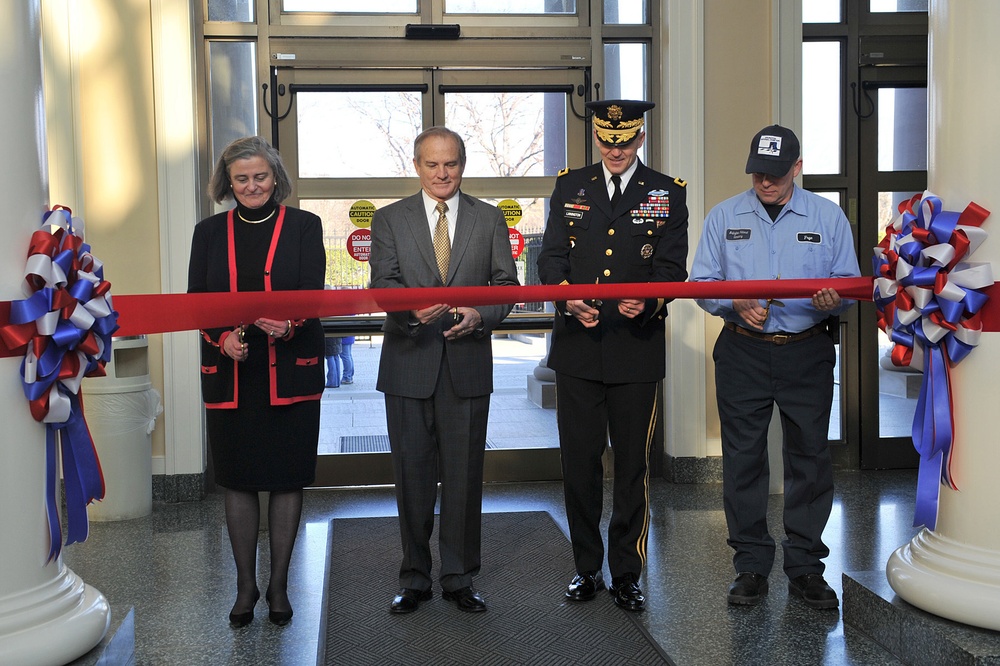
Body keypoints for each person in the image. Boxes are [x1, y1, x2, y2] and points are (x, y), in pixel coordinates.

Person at [689, 125, 860, 610]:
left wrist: (833, 299)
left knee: (809, 458)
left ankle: (806, 566)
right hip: (742, 351)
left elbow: (847, 285)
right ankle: (750, 566)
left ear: (797, 168)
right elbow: (702, 282)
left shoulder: (827, 217)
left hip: (806, 350)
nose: (766, 182)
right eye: (759, 173)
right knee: (743, 459)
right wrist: (734, 301)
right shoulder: (724, 216)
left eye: (776, 174)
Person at [536, 100, 689, 612]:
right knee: (578, 465)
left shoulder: (667, 192)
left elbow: (672, 270)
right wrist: (564, 293)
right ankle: (585, 568)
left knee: (632, 468)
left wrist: (649, 298)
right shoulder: (569, 187)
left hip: (635, 350)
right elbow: (551, 256)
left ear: (640, 139)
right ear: (597, 139)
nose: (615, 150)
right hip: (578, 349)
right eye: (607, 141)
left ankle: (626, 572)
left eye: (625, 142)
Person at [369, 126, 519, 614]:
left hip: (467, 366)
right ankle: (414, 577)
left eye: (450, 163)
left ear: (463, 164)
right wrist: (410, 313)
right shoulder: (389, 220)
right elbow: (383, 284)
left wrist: (481, 317)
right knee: (411, 477)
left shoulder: (490, 218)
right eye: (431, 164)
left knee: (464, 477)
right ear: (416, 166)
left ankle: (458, 576)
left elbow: (506, 287)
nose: (441, 173)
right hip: (409, 364)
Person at [187, 135, 325, 628]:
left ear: (275, 178)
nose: (251, 186)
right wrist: (221, 339)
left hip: (290, 374)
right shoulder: (207, 233)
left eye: (260, 177)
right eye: (241, 178)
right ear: (228, 182)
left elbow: (313, 295)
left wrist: (292, 326)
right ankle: (246, 586)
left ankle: (280, 585)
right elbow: (195, 304)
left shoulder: (306, 227)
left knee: (287, 478)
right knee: (238, 480)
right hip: (233, 376)